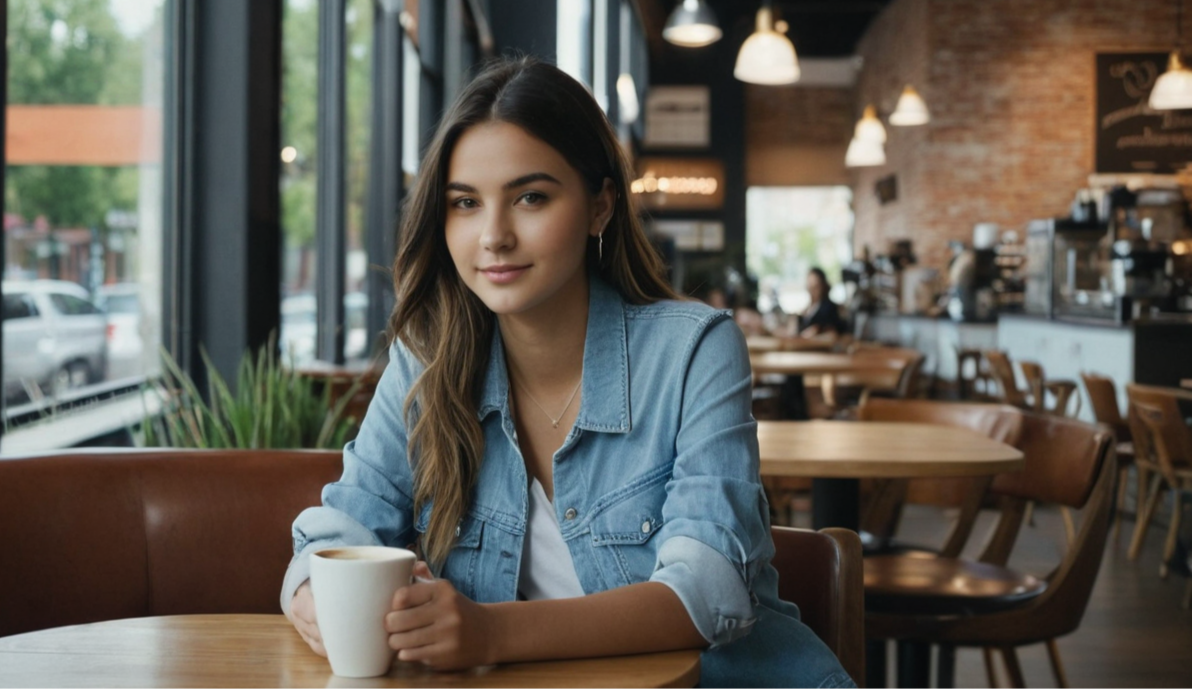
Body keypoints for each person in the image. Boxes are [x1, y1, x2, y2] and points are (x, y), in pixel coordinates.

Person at [280, 57, 854, 688]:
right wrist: (314, 596)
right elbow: (339, 529)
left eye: (531, 197)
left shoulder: (694, 351)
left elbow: (708, 587)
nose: (493, 236)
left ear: (600, 206)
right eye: (466, 203)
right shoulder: (427, 360)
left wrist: (490, 632)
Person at [797, 267, 846, 338]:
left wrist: (818, 331)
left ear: (822, 285)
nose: (812, 291)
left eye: (816, 287)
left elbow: (834, 332)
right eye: (810, 287)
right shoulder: (807, 309)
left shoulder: (829, 307)